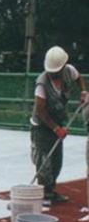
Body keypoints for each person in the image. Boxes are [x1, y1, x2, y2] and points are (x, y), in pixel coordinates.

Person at [31, 46, 88, 205]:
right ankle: (44, 193)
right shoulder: (42, 84)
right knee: (43, 161)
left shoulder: (69, 71)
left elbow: (79, 78)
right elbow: (40, 111)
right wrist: (56, 128)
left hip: (58, 120)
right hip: (42, 126)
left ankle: (50, 190)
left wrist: (83, 91)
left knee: (56, 161)